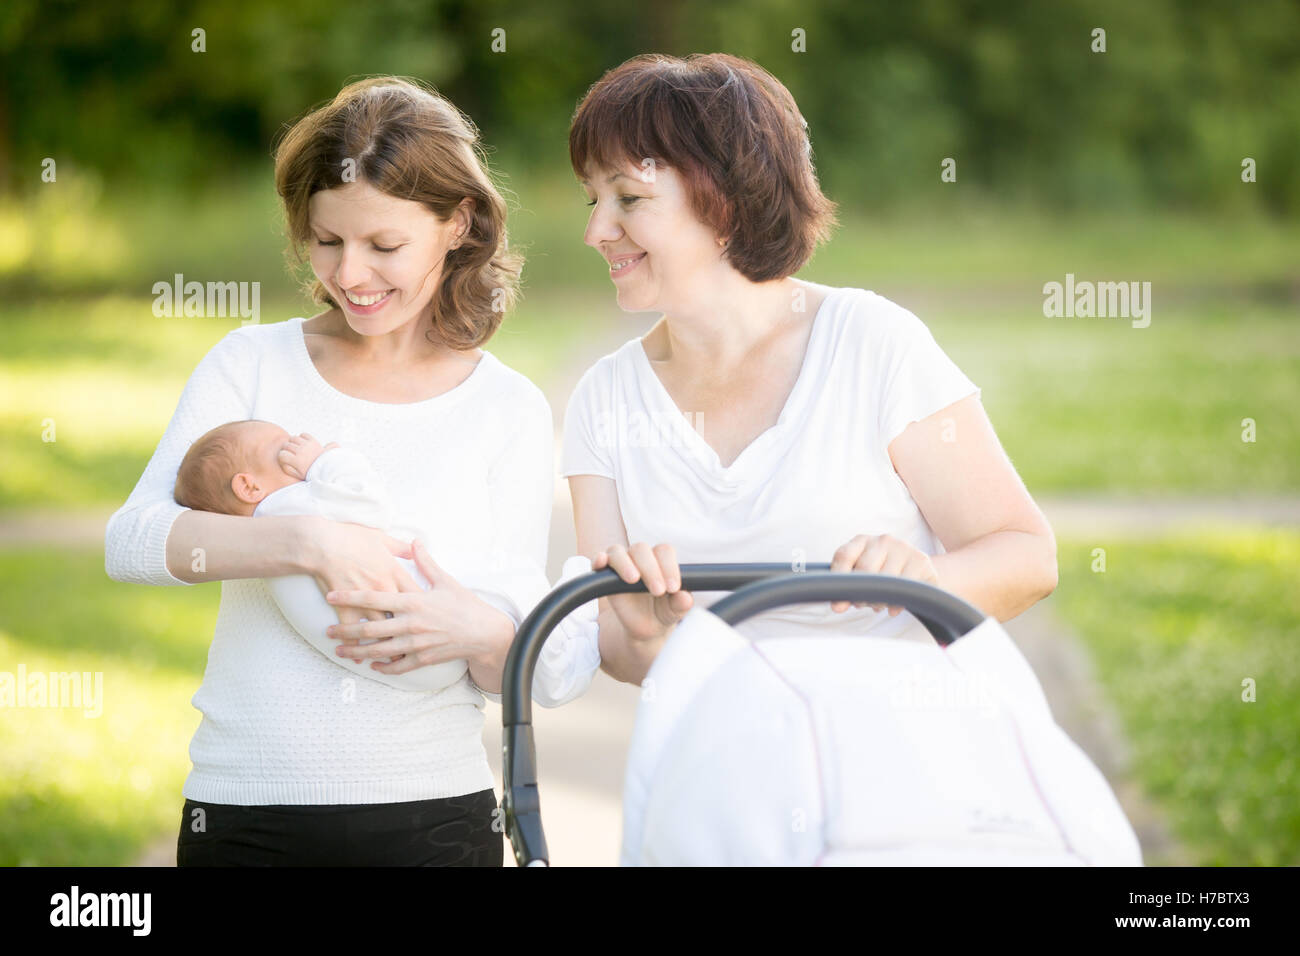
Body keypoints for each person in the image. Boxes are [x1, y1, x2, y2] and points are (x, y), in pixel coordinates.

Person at [104, 77, 593, 867]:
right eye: (327, 242)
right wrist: (309, 543)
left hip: (433, 817)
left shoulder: (508, 407)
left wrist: (482, 632)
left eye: (384, 246)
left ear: (457, 224)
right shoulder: (252, 364)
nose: (352, 274)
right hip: (246, 811)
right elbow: (133, 542)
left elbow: (514, 642)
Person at [561, 53, 1059, 685]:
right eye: (593, 201)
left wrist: (925, 579)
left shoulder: (872, 343)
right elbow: (627, 654)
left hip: (891, 744)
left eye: (628, 197)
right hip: (717, 759)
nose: (596, 230)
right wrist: (643, 626)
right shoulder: (604, 399)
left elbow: (1028, 557)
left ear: (725, 204)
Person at [171, 419, 550, 693]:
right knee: (507, 582)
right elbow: (368, 503)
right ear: (249, 486)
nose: (300, 441)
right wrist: (325, 460)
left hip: (409, 666)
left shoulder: (260, 545)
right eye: (284, 446)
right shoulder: (292, 503)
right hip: (427, 643)